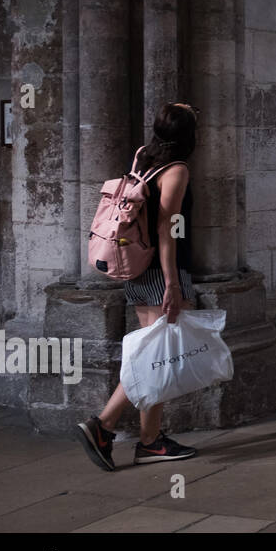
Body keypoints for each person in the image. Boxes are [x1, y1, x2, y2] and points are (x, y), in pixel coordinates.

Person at [75, 102, 201, 470]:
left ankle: (149, 441)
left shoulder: (143, 156)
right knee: (156, 358)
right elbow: (166, 230)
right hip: (160, 271)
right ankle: (104, 424)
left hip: (138, 267)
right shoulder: (176, 170)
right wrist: (172, 284)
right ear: (187, 135)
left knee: (157, 358)